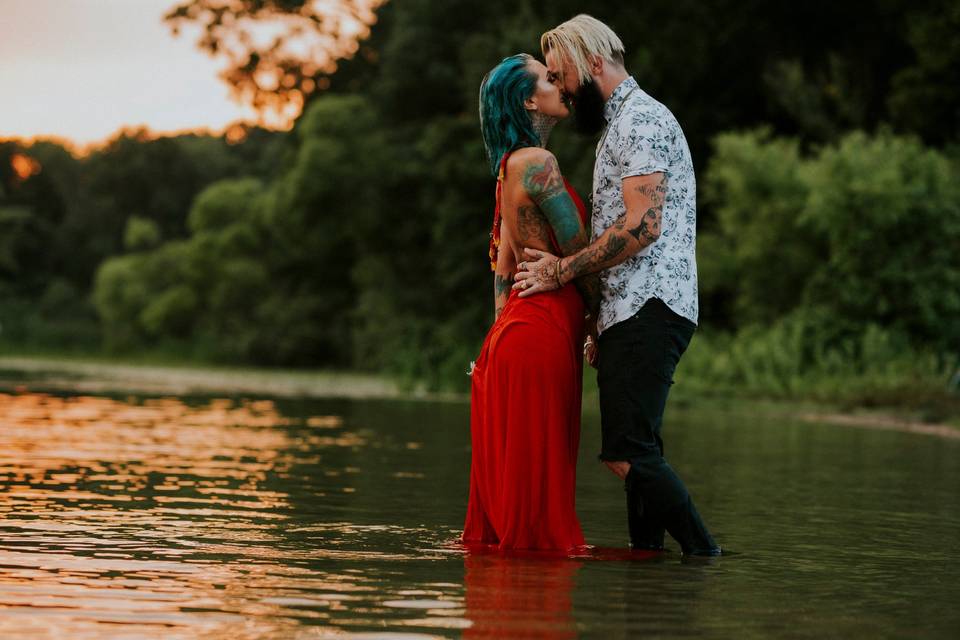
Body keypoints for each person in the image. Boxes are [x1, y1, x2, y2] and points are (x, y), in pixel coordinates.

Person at [513, 15, 722, 556]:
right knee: (641, 450)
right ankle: (646, 574)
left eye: (561, 77)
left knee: (626, 455)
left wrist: (562, 270)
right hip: (629, 309)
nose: (558, 88)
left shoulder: (642, 122)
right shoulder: (619, 126)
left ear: (594, 64)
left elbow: (642, 227)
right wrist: (597, 320)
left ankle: (706, 557)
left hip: (651, 303)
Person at [462, 53, 601, 552]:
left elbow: (501, 269)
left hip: (516, 336)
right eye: (548, 78)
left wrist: (496, 340)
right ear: (528, 100)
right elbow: (580, 249)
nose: (559, 83)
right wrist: (600, 322)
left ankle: (512, 610)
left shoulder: (507, 169)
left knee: (524, 488)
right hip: (542, 332)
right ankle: (536, 612)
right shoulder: (539, 164)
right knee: (541, 490)